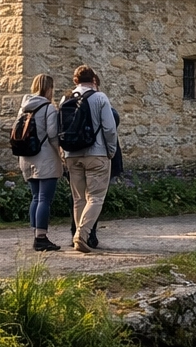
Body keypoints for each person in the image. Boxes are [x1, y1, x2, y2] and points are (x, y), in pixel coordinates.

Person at [60, 65, 119, 253]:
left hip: (72, 154)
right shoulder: (100, 98)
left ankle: (79, 236)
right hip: (97, 152)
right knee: (95, 197)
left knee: (78, 199)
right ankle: (82, 235)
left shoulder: (66, 99)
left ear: (75, 80)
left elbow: (60, 128)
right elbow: (109, 128)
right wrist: (111, 150)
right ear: (94, 79)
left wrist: (63, 152)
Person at [13, 73, 62, 251]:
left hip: (26, 157)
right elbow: (53, 135)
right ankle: (41, 237)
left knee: (35, 197)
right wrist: (61, 154)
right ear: (49, 88)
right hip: (45, 157)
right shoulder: (48, 108)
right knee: (44, 199)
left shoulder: (24, 107)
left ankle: (36, 233)